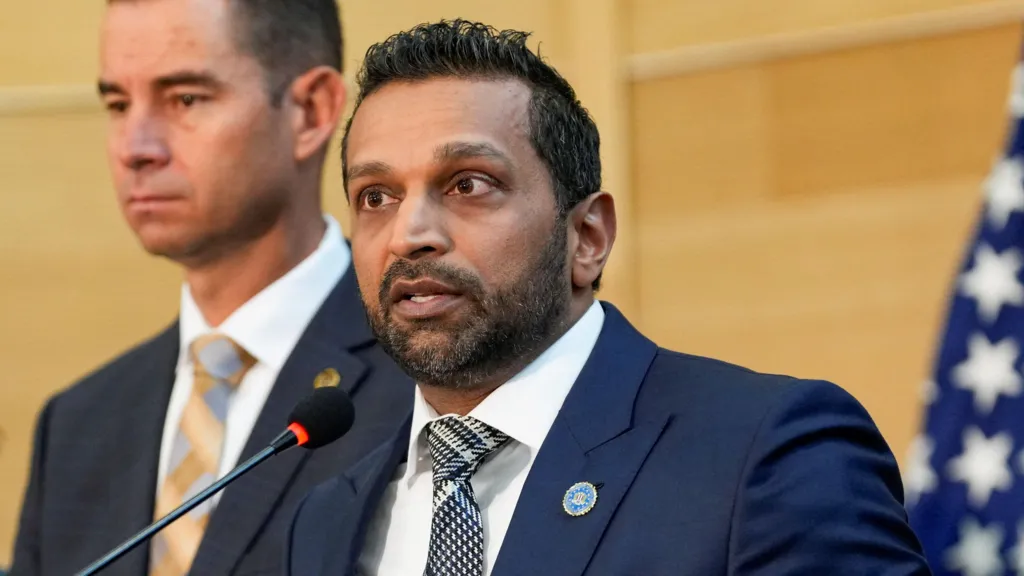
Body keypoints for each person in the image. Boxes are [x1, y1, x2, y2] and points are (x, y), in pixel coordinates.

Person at [285, 18, 933, 576]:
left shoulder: (765, 456)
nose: (409, 235)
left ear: (587, 237)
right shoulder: (326, 518)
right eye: (376, 196)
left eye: (468, 185)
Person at [8, 1, 414, 575]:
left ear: (310, 111)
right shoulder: (77, 425)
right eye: (118, 104)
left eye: (185, 99)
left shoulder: (428, 377)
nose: (135, 147)